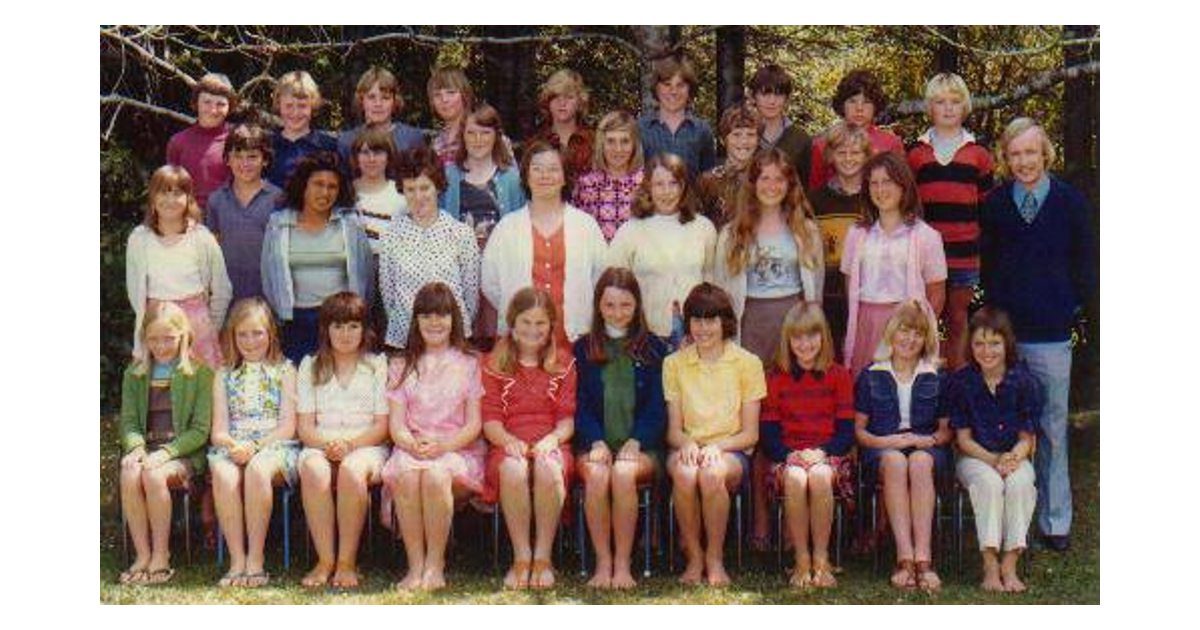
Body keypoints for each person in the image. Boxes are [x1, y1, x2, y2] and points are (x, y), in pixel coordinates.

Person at [979, 117, 1097, 552]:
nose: (1024, 161)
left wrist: (1079, 315)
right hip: (1005, 338)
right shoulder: (994, 205)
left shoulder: (1070, 203)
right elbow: (989, 271)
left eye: (1031, 152)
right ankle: (1013, 521)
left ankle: (1055, 520)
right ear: (1005, 159)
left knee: (1050, 427)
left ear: (1045, 152)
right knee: (1004, 427)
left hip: (1050, 334)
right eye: (1015, 154)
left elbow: (1086, 267)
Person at [381, 282, 486, 591]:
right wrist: (411, 444)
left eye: (442, 315)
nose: (434, 322)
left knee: (435, 476)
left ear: (455, 319)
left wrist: (443, 446)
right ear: (416, 321)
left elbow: (473, 425)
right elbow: (397, 425)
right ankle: (415, 565)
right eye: (426, 315)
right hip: (412, 446)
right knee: (408, 475)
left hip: (457, 448)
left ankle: (435, 563)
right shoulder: (401, 364)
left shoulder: (470, 363)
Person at [663, 283, 765, 586]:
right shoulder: (674, 364)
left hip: (731, 450)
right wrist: (690, 443)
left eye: (711, 320)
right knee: (684, 473)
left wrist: (717, 447)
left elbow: (750, 434)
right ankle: (694, 558)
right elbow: (672, 431)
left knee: (710, 474)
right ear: (688, 323)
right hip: (687, 447)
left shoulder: (748, 363)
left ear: (725, 322)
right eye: (696, 320)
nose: (703, 328)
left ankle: (715, 558)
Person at [573, 268, 669, 589]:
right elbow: (580, 404)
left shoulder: (653, 348)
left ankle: (624, 563)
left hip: (640, 448)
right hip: (595, 445)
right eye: (610, 305)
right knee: (599, 474)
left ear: (637, 306)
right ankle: (603, 562)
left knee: (624, 473)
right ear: (598, 306)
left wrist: (638, 440)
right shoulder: (583, 349)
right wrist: (595, 440)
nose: (617, 313)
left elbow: (657, 407)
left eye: (625, 305)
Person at [481, 288, 578, 590]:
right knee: (513, 468)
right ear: (512, 323)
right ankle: (521, 556)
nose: (533, 330)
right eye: (526, 322)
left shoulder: (564, 362)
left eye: (541, 323)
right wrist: (508, 441)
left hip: (552, 440)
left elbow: (566, 417)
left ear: (551, 326)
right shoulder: (494, 363)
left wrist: (553, 440)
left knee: (549, 468)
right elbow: (491, 418)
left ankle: (543, 557)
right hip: (507, 441)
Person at [854, 299, 952, 592]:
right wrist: (887, 442)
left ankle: (924, 560)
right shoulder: (871, 375)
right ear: (891, 333)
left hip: (928, 449)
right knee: (896, 460)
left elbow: (947, 431)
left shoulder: (937, 375)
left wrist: (928, 440)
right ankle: (904, 558)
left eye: (918, 333)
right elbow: (859, 432)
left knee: (919, 461)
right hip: (883, 450)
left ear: (926, 339)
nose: (910, 339)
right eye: (904, 331)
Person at [296, 292, 390, 589]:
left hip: (366, 445)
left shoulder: (377, 365)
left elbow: (382, 426)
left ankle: (347, 561)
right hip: (320, 443)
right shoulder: (310, 366)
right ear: (326, 329)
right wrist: (326, 446)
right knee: (314, 469)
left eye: (353, 326)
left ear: (365, 329)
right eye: (337, 326)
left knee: (351, 469)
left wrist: (350, 446)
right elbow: (305, 427)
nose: (345, 334)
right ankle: (325, 560)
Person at [117, 302, 213, 585]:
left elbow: (199, 430)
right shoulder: (134, 374)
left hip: (182, 453)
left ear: (183, 335)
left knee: (153, 474)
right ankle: (142, 554)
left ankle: (161, 554)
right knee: (130, 471)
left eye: (169, 338)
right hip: (145, 449)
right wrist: (135, 448)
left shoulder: (199, 374)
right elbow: (129, 423)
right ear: (144, 338)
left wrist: (166, 454)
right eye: (154, 339)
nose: (161, 346)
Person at [760, 303, 854, 588]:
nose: (805, 344)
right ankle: (801, 558)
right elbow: (769, 434)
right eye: (797, 338)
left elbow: (846, 431)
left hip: (829, 455)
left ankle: (821, 559)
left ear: (824, 337)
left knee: (821, 475)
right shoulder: (775, 378)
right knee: (796, 476)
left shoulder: (839, 376)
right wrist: (792, 456)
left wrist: (821, 453)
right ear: (788, 341)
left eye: (812, 336)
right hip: (788, 458)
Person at [208, 297, 299, 588]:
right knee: (223, 473)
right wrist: (234, 446)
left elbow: (288, 427)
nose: (250, 340)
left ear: (270, 333)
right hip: (233, 446)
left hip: (274, 446)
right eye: (242, 334)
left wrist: (255, 447)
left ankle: (256, 557)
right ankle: (237, 559)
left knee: (259, 469)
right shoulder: (223, 374)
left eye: (257, 332)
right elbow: (218, 431)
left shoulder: (286, 370)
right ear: (232, 337)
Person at [481, 141, 608, 351]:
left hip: (574, 340)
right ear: (526, 177)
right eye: (537, 169)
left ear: (565, 176)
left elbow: (601, 278)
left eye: (553, 169)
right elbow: (491, 283)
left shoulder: (586, 226)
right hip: (519, 343)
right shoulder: (507, 228)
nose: (545, 176)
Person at [907, 73, 995, 370]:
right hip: (925, 256)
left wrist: (983, 249)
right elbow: (909, 208)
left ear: (965, 106)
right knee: (924, 321)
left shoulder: (978, 154)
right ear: (930, 107)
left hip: (963, 255)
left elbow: (987, 208)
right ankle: (924, 385)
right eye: (940, 102)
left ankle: (958, 385)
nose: (947, 108)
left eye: (954, 102)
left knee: (958, 321)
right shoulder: (916, 153)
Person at [950, 307, 1040, 592]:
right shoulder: (962, 381)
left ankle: (1010, 563)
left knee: (1022, 482)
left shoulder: (1024, 380)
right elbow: (962, 440)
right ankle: (989, 566)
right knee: (989, 483)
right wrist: (993, 460)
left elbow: (1028, 437)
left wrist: (1013, 458)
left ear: (1007, 344)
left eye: (994, 343)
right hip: (975, 456)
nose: (986, 351)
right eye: (979, 343)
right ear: (970, 345)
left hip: (1014, 454)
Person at [261, 152, 375, 365]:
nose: (325, 192)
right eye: (318, 184)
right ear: (303, 185)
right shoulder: (278, 223)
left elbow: (366, 277)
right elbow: (268, 277)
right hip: (296, 323)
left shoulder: (350, 224)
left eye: (332, 186)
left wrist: (354, 317)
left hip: (342, 324)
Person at [841, 152, 946, 376]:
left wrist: (914, 333)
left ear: (903, 185)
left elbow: (937, 295)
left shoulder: (926, 236)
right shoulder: (856, 234)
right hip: (866, 325)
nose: (880, 190)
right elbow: (849, 286)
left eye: (887, 181)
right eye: (874, 183)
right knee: (867, 393)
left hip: (905, 327)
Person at [714, 148, 824, 364]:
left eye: (779, 179)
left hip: (793, 319)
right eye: (765, 178)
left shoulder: (806, 230)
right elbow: (721, 287)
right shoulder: (731, 233)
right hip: (750, 319)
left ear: (789, 184)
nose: (772, 187)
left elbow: (817, 286)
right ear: (753, 183)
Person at [126, 165, 232, 369]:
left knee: (199, 391)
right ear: (152, 198)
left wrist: (209, 326)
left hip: (197, 329)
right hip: (156, 331)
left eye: (177, 193)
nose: (170, 200)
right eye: (163, 192)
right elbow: (135, 292)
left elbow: (222, 289)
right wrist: (150, 322)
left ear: (188, 198)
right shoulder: (139, 239)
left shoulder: (202, 238)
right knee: (160, 392)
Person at [378, 147, 480, 350]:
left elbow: (471, 293)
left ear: (438, 187)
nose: (418, 196)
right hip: (406, 339)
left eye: (424, 188)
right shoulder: (390, 235)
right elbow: (388, 293)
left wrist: (456, 327)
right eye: (410, 189)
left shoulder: (460, 234)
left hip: (452, 339)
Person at [608, 152, 716, 344]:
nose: (667, 191)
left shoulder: (704, 228)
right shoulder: (630, 230)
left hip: (695, 334)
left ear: (683, 186)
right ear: (648, 186)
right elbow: (615, 285)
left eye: (673, 183)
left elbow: (711, 279)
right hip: (646, 335)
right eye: (659, 184)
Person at [808, 122, 871, 354]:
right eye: (841, 152)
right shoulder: (815, 201)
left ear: (866, 156)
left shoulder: (874, 197)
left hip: (866, 293)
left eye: (855, 152)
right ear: (830, 156)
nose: (848, 158)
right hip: (828, 294)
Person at [204, 123, 284, 303]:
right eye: (237, 156)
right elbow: (211, 252)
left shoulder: (279, 199)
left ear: (265, 160)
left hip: (268, 296)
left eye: (252, 157)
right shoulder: (216, 200)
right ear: (227, 159)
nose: (244, 163)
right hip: (227, 296)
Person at [809, 69, 904, 191]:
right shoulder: (822, 144)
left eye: (867, 102)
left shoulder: (891, 144)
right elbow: (814, 192)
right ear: (842, 105)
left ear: (876, 106)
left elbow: (902, 189)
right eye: (852, 101)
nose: (859, 108)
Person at [441, 103, 526, 239]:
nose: (478, 140)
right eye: (471, 133)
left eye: (485, 133)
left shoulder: (512, 179)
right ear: (462, 135)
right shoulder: (447, 176)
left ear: (496, 136)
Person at [572, 110, 645, 241]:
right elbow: (577, 232)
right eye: (611, 141)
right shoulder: (586, 184)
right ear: (601, 144)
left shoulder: (646, 182)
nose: (618, 149)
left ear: (634, 145)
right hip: (598, 259)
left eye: (625, 141)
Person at [166, 72, 236, 209]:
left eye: (221, 104)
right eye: (207, 102)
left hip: (230, 215)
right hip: (189, 217)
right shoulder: (178, 142)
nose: (213, 110)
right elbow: (172, 188)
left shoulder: (238, 138)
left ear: (230, 107)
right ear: (196, 103)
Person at [638, 56, 716, 177]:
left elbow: (708, 177)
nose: (673, 91)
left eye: (681, 85)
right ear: (656, 88)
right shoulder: (640, 128)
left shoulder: (702, 130)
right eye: (667, 84)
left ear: (689, 90)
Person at [337, 66, 425, 166]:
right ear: (361, 101)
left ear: (394, 102)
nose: (378, 104)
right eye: (371, 97)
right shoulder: (347, 140)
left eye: (385, 98)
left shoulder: (412, 138)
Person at [266, 70, 338, 188]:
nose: (295, 113)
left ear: (313, 105)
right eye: (289, 105)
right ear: (279, 105)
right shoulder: (266, 146)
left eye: (302, 106)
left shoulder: (328, 146)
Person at [696, 104, 762, 229]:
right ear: (722, 139)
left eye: (751, 134)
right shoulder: (708, 180)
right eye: (736, 134)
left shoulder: (765, 178)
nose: (744, 141)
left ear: (758, 139)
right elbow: (698, 225)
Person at [748, 63, 812, 188]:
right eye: (765, 94)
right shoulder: (743, 136)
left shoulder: (800, 138)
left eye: (778, 94)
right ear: (753, 97)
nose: (772, 101)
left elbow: (806, 187)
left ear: (787, 99)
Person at [529, 69, 595, 188]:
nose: (562, 103)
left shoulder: (594, 142)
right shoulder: (536, 143)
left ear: (580, 103)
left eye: (569, 97)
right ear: (547, 102)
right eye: (555, 97)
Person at [349, 123, 406, 251]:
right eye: (365, 152)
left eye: (378, 152)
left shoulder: (401, 195)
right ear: (356, 157)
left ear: (389, 156)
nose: (372, 159)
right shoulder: (345, 192)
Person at [427, 66, 476, 167]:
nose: (444, 99)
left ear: (465, 95)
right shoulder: (436, 143)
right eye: (437, 95)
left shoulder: (484, 134)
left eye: (451, 92)